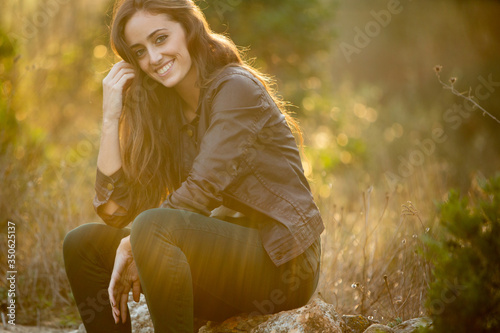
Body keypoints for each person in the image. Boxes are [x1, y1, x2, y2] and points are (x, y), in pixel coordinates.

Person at [63, 0, 324, 332]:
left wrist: (133, 245)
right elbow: (115, 210)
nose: (154, 58)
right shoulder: (164, 110)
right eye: (140, 52)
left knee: (151, 228)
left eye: (160, 39)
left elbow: (200, 190)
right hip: (220, 265)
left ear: (188, 28)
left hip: (283, 265)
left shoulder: (236, 89)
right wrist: (111, 115)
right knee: (82, 244)